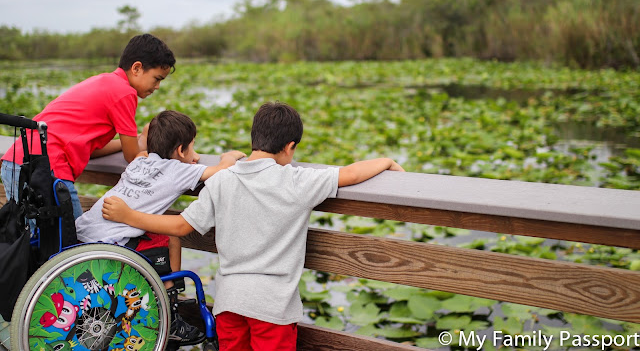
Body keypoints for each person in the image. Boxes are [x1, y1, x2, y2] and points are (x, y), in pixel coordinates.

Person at [102, 101, 404, 350]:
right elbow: (350, 174)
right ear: (290, 147)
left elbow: (182, 226)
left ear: (254, 139)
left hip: (230, 301)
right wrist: (387, 161)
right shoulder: (297, 180)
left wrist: (131, 216)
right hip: (273, 307)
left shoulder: (222, 179)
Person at [76, 109, 245, 347]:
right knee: (171, 236)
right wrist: (230, 156)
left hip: (84, 234)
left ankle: (168, 301)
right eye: (192, 148)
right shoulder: (178, 170)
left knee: (168, 236)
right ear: (179, 151)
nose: (195, 156)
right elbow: (221, 172)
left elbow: (147, 153)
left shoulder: (140, 161)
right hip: (113, 246)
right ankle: (169, 312)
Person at [1, 33, 175, 220]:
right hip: (46, 167)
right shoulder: (125, 93)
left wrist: (136, 140)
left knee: (35, 241)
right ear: (137, 68)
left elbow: (91, 150)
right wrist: (143, 143)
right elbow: (132, 156)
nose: (157, 87)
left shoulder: (105, 81)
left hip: (18, 161)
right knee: (72, 243)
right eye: (157, 78)